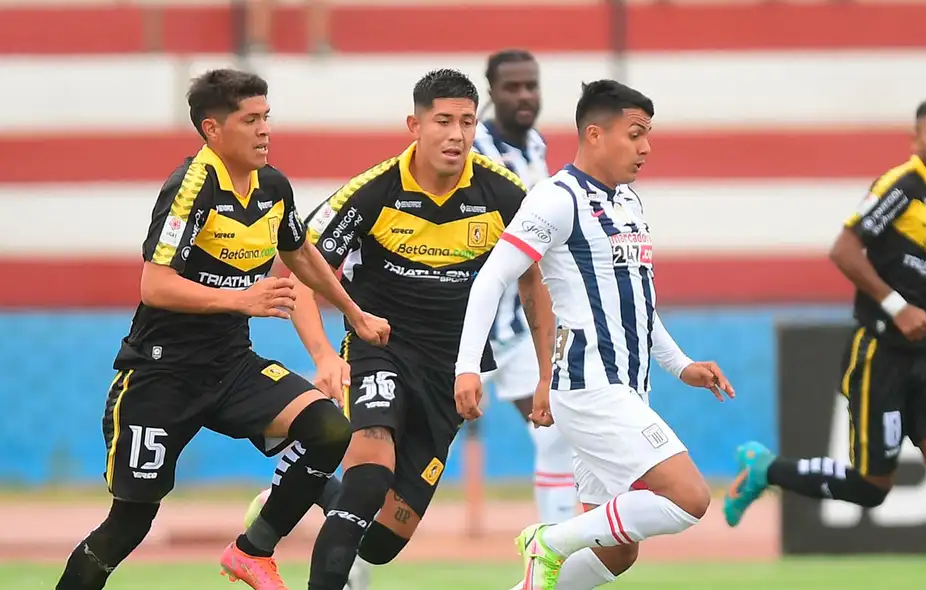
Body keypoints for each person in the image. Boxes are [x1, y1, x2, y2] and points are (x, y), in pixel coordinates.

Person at [53, 68, 390, 590]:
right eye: (251, 120)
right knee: (129, 524)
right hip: (161, 375)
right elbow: (155, 285)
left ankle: (252, 550)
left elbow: (300, 253)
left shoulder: (272, 186)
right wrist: (242, 299)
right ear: (212, 129)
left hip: (231, 366)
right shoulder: (191, 187)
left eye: (267, 117)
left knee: (327, 429)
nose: (265, 130)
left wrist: (354, 312)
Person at [233, 68, 552, 590]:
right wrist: (325, 357)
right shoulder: (372, 192)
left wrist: (545, 375)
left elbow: (534, 285)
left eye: (466, 122)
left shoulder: (504, 194)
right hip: (379, 348)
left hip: (450, 371)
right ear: (414, 125)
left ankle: (302, 481)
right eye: (443, 121)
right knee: (369, 474)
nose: (456, 134)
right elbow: (299, 271)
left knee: (382, 542)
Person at [454, 79, 736, 590]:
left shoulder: (629, 202)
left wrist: (680, 365)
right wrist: (467, 366)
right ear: (595, 134)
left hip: (628, 387)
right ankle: (550, 540)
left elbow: (638, 305)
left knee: (616, 553)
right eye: (636, 134)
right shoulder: (556, 198)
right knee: (688, 498)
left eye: (648, 135)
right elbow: (493, 277)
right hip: (590, 388)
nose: (646, 147)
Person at [724, 97, 926, 590]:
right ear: (917, 140)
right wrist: (896, 307)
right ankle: (766, 469)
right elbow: (845, 249)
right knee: (871, 488)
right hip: (879, 352)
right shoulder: (902, 185)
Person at [474, 48, 577, 524]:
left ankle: (551, 552)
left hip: (517, 325)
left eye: (530, 85)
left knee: (556, 433)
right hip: (466, 325)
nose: (524, 95)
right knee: (403, 447)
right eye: (511, 87)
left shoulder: (535, 145)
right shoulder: (474, 149)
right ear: (492, 92)